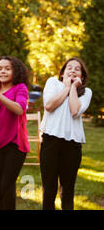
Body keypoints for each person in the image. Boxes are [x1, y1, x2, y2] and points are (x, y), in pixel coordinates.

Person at [40, 57, 92, 210]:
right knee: (49, 190)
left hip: (72, 144)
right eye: (69, 68)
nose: (73, 71)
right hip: (50, 141)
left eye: (77, 69)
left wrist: (74, 88)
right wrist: (66, 88)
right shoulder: (52, 83)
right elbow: (49, 106)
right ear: (62, 73)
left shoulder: (86, 92)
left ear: (82, 77)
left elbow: (75, 110)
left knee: (68, 190)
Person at [0, 56, 30, 210]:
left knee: (7, 184)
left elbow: (19, 109)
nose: (2, 71)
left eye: (7, 68)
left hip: (16, 143)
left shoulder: (20, 88)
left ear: (15, 71)